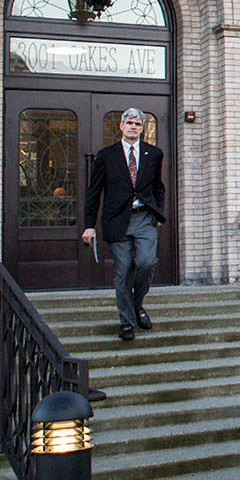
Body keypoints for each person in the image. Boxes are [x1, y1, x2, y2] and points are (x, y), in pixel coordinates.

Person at [82, 108, 165, 340]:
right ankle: (127, 322)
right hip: (117, 219)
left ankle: (137, 305)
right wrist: (89, 225)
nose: (133, 127)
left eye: (138, 124)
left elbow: (158, 186)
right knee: (124, 270)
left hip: (144, 217)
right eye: (129, 123)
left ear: (142, 128)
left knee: (147, 262)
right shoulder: (106, 155)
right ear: (121, 126)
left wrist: (158, 213)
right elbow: (94, 192)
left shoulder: (154, 153)